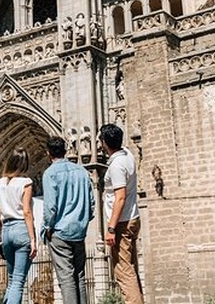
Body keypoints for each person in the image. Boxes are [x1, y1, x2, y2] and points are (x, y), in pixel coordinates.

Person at [42, 136, 95, 304]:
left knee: (66, 279)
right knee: (79, 276)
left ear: (48, 153)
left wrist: (47, 227)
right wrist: (84, 220)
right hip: (79, 231)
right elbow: (92, 202)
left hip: (60, 232)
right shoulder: (81, 171)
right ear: (66, 150)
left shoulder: (50, 173)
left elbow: (50, 207)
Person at [100, 124, 144, 304]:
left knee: (124, 273)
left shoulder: (117, 165)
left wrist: (110, 228)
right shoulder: (127, 155)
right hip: (132, 218)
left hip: (121, 223)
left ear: (104, 143)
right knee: (131, 270)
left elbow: (120, 197)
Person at [0, 148, 37, 304]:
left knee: (12, 281)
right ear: (24, 165)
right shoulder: (26, 183)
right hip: (21, 229)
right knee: (18, 282)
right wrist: (33, 239)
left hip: (5, 231)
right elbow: (27, 212)